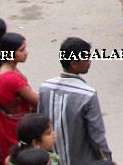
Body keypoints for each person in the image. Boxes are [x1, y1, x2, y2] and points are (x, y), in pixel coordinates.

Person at [38, 36, 113, 165]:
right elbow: (97, 135)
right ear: (74, 64)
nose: (89, 61)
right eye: (86, 58)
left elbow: (39, 124)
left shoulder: (45, 88)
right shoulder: (88, 94)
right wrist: (107, 159)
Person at [0, 33, 39, 161]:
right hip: (18, 127)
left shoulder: (2, 68)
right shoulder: (11, 78)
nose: (26, 53)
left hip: (9, 124)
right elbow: (38, 101)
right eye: (22, 50)